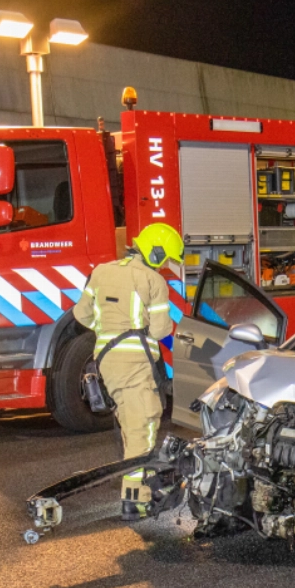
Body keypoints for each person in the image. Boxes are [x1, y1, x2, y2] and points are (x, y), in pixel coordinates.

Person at [73, 222, 179, 518]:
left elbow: (81, 314)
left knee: (132, 422)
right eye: (166, 257)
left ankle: (136, 493)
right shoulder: (152, 280)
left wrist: (108, 330)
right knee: (142, 428)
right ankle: (135, 499)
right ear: (156, 253)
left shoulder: (102, 271)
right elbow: (160, 330)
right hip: (134, 363)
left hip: (106, 361)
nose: (167, 264)